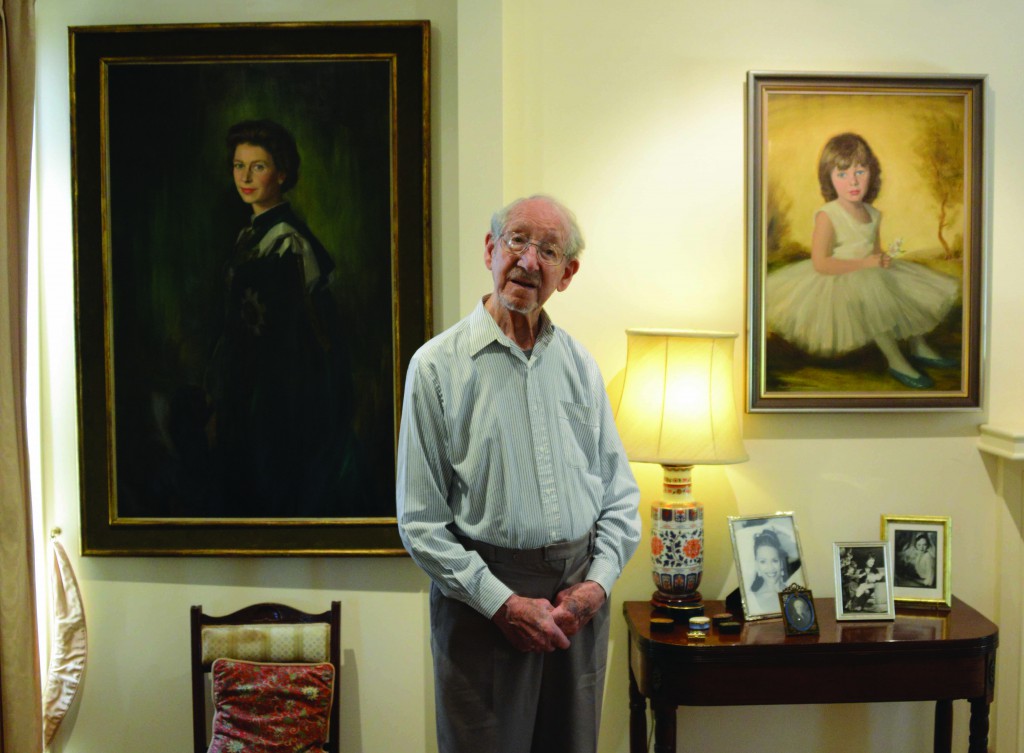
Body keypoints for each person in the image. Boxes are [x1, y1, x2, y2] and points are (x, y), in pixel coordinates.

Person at [396, 195, 641, 753]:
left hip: (576, 608)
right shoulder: (436, 367)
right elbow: (420, 523)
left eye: (549, 250)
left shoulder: (580, 365)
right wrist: (503, 604)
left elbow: (620, 496)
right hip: (482, 610)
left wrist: (596, 586)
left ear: (567, 273)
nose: (529, 261)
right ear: (490, 249)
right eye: (517, 240)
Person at [204, 119, 352, 517]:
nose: (245, 177)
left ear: (282, 173)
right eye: (239, 166)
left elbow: (285, 336)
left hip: (277, 393)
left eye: (258, 166)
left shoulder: (287, 241)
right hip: (245, 386)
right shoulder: (249, 236)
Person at [765, 132, 960, 389]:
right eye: (842, 174)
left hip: (870, 270)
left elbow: (874, 250)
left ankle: (919, 345)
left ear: (872, 172)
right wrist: (866, 265)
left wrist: (882, 260)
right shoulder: (828, 215)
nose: (853, 181)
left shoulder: (872, 213)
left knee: (903, 289)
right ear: (829, 179)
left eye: (860, 171)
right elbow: (821, 263)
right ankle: (895, 360)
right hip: (837, 278)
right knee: (872, 291)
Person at [748, 528, 790, 613]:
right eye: (763, 562)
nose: (770, 568)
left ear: (781, 563)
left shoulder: (795, 593)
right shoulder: (752, 601)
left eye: (774, 560)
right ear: (757, 566)